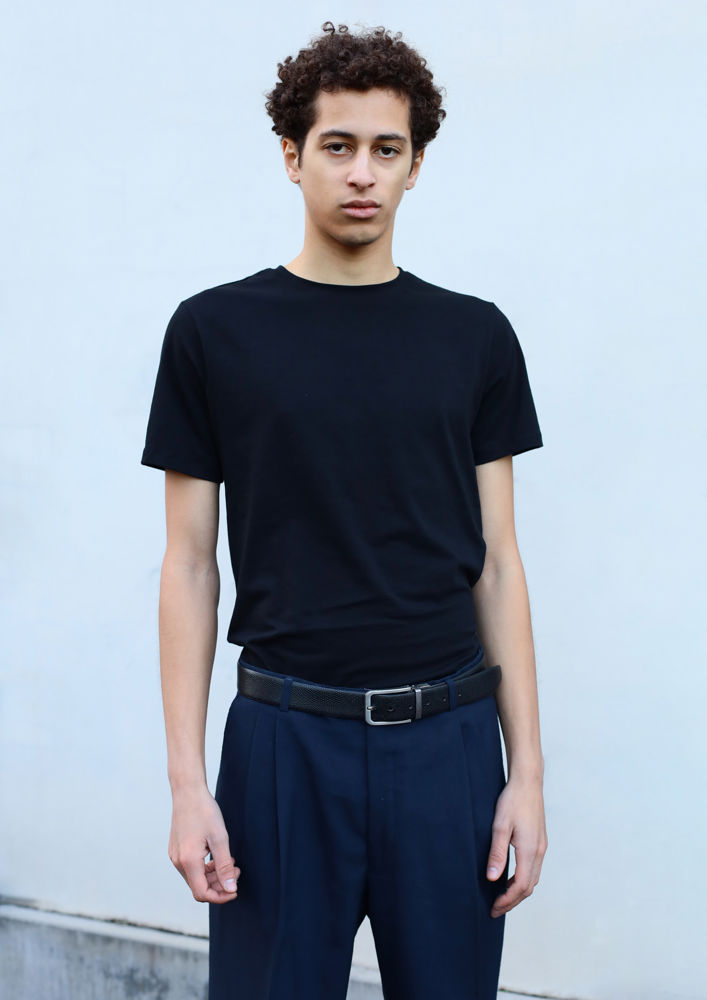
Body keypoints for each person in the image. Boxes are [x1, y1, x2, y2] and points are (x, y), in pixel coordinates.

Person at [140, 20, 548, 1000]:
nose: (362, 172)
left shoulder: (474, 337)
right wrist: (188, 785)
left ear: (414, 166)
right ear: (291, 155)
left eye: (386, 149)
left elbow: (497, 562)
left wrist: (526, 774)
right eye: (337, 145)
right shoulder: (211, 332)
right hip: (284, 746)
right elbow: (188, 565)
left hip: (447, 745)